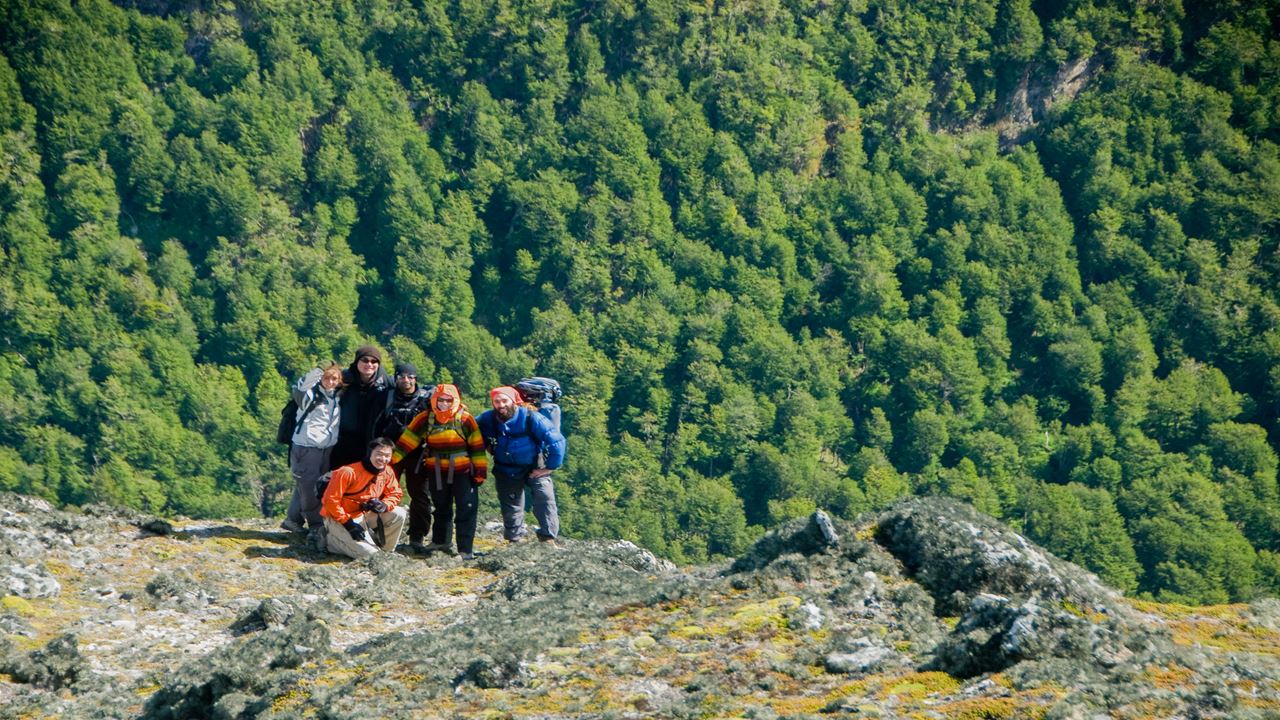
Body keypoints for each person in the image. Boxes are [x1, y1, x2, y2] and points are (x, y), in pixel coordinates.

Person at [392, 384, 487, 559]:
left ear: (455, 400)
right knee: (441, 507)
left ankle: (465, 549)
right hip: (436, 470)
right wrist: (390, 462)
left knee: (466, 508)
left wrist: (480, 471)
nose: (443, 404)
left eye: (448, 400)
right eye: (440, 400)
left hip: (463, 472)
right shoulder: (425, 418)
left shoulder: (465, 419)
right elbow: (407, 441)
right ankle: (441, 542)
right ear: (434, 400)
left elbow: (477, 446)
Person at [478, 386, 566, 545]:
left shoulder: (532, 418)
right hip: (505, 468)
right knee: (511, 506)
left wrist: (549, 467)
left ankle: (548, 538)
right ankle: (514, 540)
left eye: (505, 400)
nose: (501, 405)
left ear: (514, 401)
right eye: (496, 401)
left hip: (534, 465)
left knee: (544, 498)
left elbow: (557, 441)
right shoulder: (488, 419)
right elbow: (470, 429)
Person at [281, 363, 344, 534]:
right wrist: (318, 369)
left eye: (334, 378)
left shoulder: (336, 398)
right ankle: (316, 525)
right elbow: (300, 386)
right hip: (306, 447)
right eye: (326, 378)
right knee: (309, 488)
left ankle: (292, 520)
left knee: (306, 485)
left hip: (326, 448)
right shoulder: (310, 396)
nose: (330, 382)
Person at [320, 437, 406, 559]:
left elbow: (395, 493)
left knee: (399, 513)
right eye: (379, 454)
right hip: (338, 519)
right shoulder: (347, 472)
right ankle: (331, 541)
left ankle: (386, 552)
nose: (383, 459)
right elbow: (330, 501)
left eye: (387, 456)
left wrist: (384, 504)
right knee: (370, 556)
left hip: (363, 516)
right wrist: (348, 524)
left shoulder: (387, 471)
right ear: (370, 453)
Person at [376, 363, 432, 549]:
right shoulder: (387, 397)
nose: (405, 380)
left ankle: (417, 535)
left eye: (410, 376)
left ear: (416, 378)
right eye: (401, 376)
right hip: (390, 453)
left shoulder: (426, 399)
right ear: (396, 378)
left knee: (420, 494)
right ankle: (381, 531)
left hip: (418, 453)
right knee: (384, 491)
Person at [329, 345, 391, 470]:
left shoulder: (386, 384)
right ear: (357, 361)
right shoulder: (343, 380)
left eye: (374, 361)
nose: (369, 364)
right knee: (336, 479)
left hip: (368, 443)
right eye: (365, 360)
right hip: (340, 440)